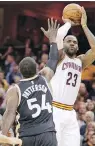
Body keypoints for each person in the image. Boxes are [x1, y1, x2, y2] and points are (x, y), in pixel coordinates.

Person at [0, 18, 60, 146]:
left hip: (27, 137)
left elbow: (9, 114)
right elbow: (53, 59)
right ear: (37, 68)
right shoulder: (45, 78)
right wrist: (53, 40)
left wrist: (3, 136)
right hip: (48, 135)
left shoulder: (15, 90)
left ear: (20, 71)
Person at [49, 7, 95, 146]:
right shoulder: (59, 57)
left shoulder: (80, 61)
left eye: (75, 42)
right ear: (63, 45)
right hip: (55, 109)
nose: (72, 43)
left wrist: (84, 26)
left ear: (78, 48)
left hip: (70, 112)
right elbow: (59, 36)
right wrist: (68, 23)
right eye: (69, 41)